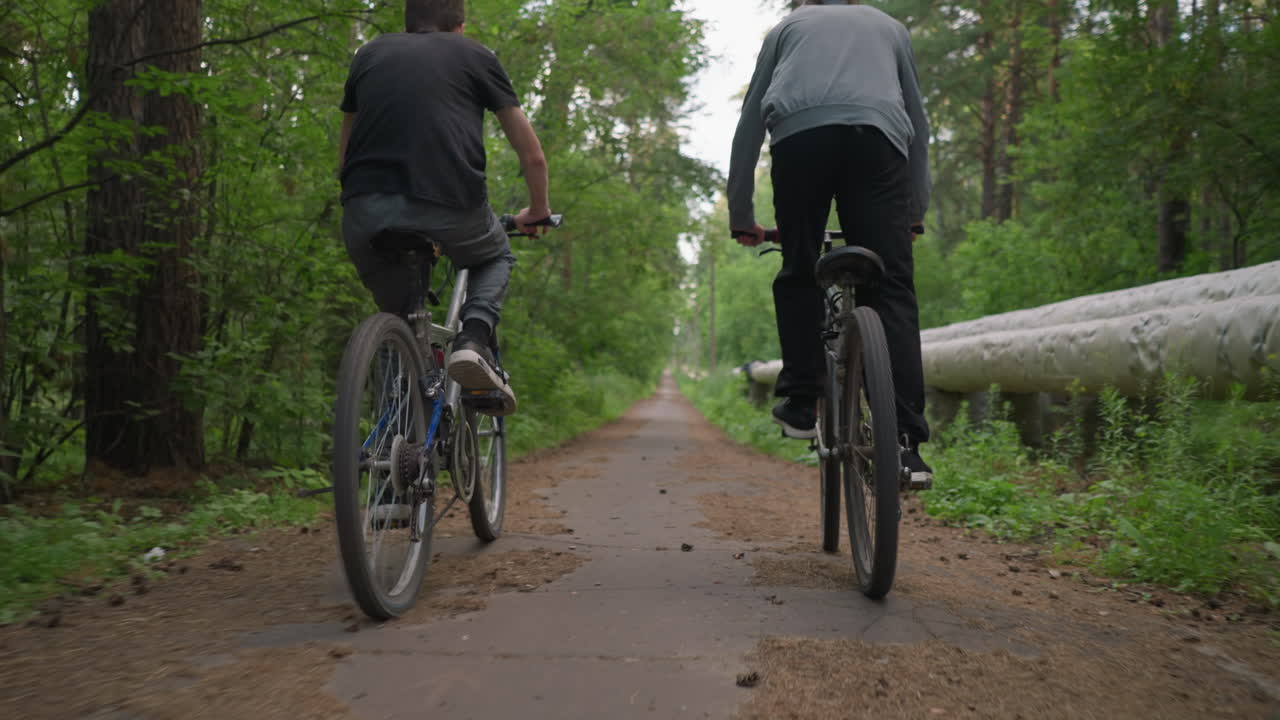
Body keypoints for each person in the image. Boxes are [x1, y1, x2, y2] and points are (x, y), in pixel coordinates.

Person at [726, 0, 933, 482]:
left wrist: (742, 216)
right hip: (878, 140)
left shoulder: (787, 28)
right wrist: (914, 213)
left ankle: (801, 399)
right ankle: (907, 446)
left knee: (800, 266)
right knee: (893, 286)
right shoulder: (890, 27)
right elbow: (919, 129)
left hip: (801, 139)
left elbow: (749, 125)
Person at [338, 0, 551, 416]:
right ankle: (472, 341)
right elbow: (534, 157)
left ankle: (397, 429)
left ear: (408, 21)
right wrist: (538, 210)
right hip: (450, 206)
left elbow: (344, 159)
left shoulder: (369, 54)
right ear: (459, 25)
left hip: (363, 211)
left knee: (397, 318)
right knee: (496, 256)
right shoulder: (475, 55)